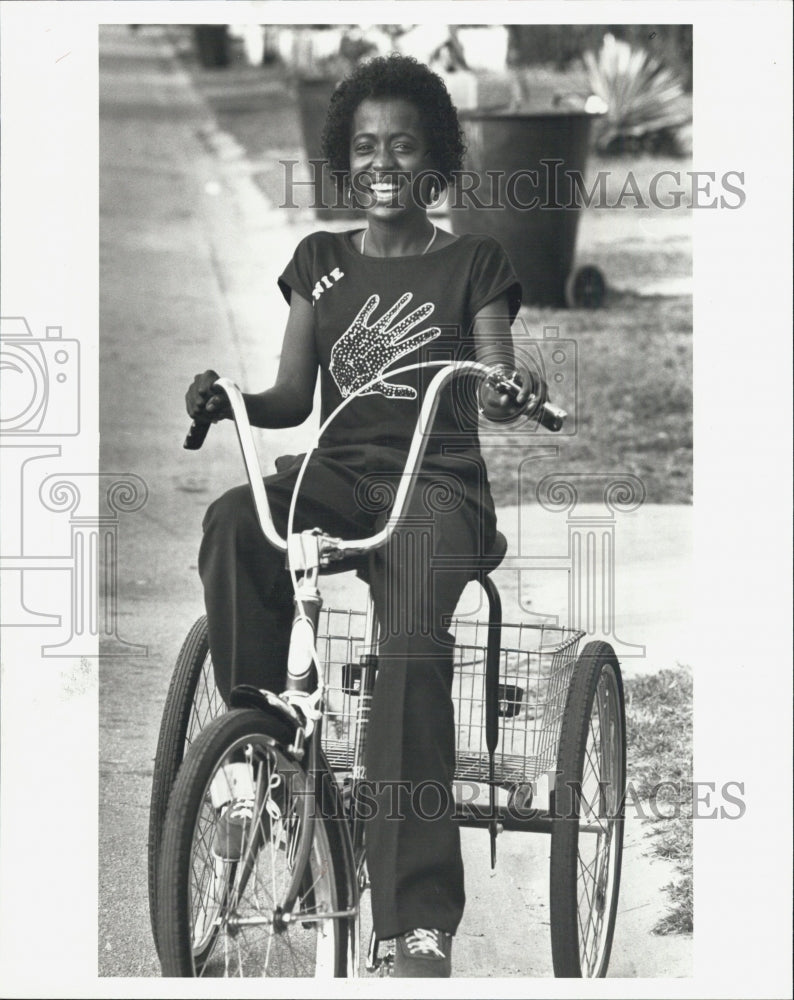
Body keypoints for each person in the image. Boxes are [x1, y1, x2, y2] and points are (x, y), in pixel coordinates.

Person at [186, 54, 544, 978]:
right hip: (337, 474)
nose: (383, 162)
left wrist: (510, 388)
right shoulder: (321, 262)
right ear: (346, 159)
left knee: (412, 657)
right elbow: (289, 394)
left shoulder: (476, 261)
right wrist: (230, 399)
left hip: (438, 487)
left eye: (405, 146)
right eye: (365, 146)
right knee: (235, 520)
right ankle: (254, 754)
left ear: (435, 162)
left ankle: (417, 921)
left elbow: (496, 381)